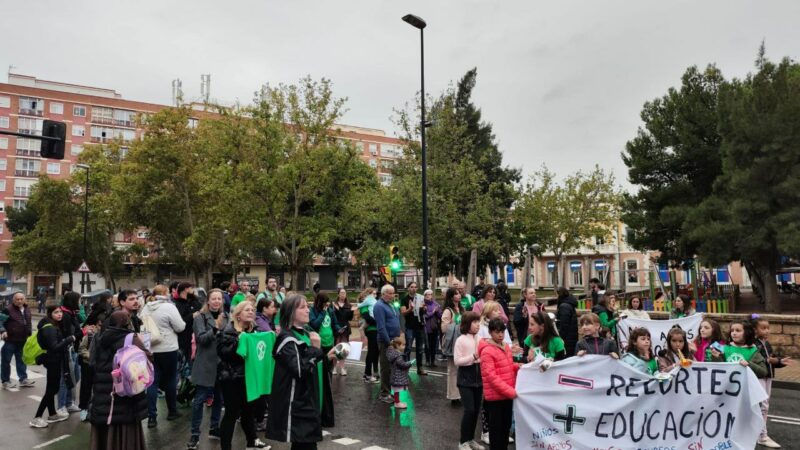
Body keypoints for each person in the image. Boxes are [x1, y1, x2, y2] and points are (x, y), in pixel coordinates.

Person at [268, 293, 337, 450]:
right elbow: (300, 370)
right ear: (291, 312)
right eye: (303, 307)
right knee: (304, 445)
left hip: (310, 401)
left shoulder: (305, 333)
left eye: (308, 306)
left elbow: (312, 363)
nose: (308, 310)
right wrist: (315, 349)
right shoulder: (286, 338)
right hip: (298, 405)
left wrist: (327, 356)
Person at [89, 311, 150, 450]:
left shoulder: (99, 337)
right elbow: (147, 360)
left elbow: (92, 362)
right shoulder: (131, 338)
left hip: (103, 392)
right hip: (125, 392)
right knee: (124, 425)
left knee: (105, 425)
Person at [216, 301, 269, 450]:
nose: (251, 312)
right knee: (231, 414)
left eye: (252, 310)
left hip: (249, 378)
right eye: (247, 310)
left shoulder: (256, 332)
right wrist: (238, 342)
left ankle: (252, 441)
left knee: (248, 411)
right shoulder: (228, 331)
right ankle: (226, 447)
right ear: (238, 315)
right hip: (232, 379)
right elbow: (223, 354)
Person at [186, 289, 229, 449]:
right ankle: (194, 434)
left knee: (218, 398)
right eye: (214, 299)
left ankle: (214, 427)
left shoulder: (225, 317)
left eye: (219, 299)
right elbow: (201, 340)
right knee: (199, 400)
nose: (217, 301)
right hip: (205, 364)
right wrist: (215, 329)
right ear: (208, 301)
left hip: (221, 364)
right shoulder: (200, 318)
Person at [140, 285, 186, 428]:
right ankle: (172, 411)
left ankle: (152, 417)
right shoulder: (169, 307)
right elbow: (180, 326)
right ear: (166, 293)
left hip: (151, 349)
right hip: (168, 348)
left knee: (152, 382)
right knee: (171, 379)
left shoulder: (146, 307)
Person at [29, 305, 75, 428]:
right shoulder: (49, 328)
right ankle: (37, 417)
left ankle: (52, 414)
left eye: (60, 312)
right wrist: (69, 339)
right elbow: (54, 347)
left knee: (52, 389)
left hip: (54, 361)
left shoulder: (53, 325)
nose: (59, 314)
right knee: (51, 390)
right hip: (52, 361)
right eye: (56, 312)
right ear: (50, 314)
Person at [752, 316, 793, 448]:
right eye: (763, 328)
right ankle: (762, 436)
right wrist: (770, 361)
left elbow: (772, 360)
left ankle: (759, 434)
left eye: (768, 328)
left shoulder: (766, 344)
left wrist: (780, 362)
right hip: (758, 377)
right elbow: (759, 361)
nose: (767, 331)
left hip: (768, 377)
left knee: (764, 406)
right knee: (762, 406)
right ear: (754, 330)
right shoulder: (754, 344)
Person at [479, 318, 518, 450]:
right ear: (490, 332)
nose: (500, 335)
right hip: (495, 398)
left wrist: (518, 366)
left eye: (502, 332)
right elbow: (491, 376)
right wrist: (510, 391)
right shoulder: (487, 351)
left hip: (507, 395)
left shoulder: (506, 347)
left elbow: (507, 366)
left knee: (505, 428)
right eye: (497, 332)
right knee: (496, 431)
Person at [308, 292, 339, 427]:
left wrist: (338, 329)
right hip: (318, 345)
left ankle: (327, 391)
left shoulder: (330, 311)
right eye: (325, 302)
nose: (328, 304)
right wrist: (322, 313)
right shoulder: (313, 311)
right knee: (320, 369)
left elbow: (334, 323)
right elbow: (314, 325)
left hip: (329, 343)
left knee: (329, 369)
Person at [454, 312, 482, 450]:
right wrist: (474, 356)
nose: (478, 325)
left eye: (478, 322)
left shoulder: (480, 338)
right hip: (465, 378)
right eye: (475, 322)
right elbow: (457, 361)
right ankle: (462, 441)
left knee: (476, 410)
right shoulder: (461, 340)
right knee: (469, 410)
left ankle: (471, 439)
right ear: (467, 324)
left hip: (479, 378)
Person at [374, 284, 401, 404]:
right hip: (386, 341)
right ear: (383, 293)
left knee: (392, 368)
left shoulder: (390, 304)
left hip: (393, 340)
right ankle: (384, 393)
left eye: (393, 293)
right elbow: (381, 327)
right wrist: (388, 342)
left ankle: (388, 390)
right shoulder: (379, 306)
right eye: (389, 293)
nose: (392, 295)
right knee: (385, 367)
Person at [1, 292, 35, 389]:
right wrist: (3, 331)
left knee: (21, 360)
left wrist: (29, 333)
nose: (19, 301)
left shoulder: (27, 309)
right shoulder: (7, 310)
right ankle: (6, 381)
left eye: (21, 299)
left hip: (23, 340)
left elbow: (28, 322)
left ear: (24, 299)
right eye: (17, 299)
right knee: (6, 361)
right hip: (10, 340)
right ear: (13, 300)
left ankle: (23, 379)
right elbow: (0, 321)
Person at [57, 291, 84, 415]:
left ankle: (68, 403)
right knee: (66, 378)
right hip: (66, 350)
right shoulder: (66, 315)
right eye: (78, 300)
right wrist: (83, 332)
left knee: (76, 376)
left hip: (74, 349)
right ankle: (61, 406)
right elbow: (69, 335)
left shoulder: (72, 313)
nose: (80, 302)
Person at [440, 288, 464, 402]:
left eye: (459, 293)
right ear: (451, 297)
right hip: (453, 342)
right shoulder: (448, 311)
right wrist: (457, 326)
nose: (459, 295)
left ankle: (461, 393)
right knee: (453, 370)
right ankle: (453, 396)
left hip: (462, 342)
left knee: (461, 370)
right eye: (456, 294)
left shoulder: (461, 309)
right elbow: (444, 328)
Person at [400, 281, 426, 375]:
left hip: (419, 326)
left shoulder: (420, 297)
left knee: (420, 349)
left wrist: (424, 308)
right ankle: (405, 367)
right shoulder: (404, 299)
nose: (414, 288)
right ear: (408, 288)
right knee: (408, 348)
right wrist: (410, 309)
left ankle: (420, 368)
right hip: (410, 327)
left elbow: (424, 311)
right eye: (411, 287)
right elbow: (403, 313)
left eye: (415, 287)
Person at [356, 288, 380, 383]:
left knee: (375, 352)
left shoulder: (372, 304)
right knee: (371, 352)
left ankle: (373, 372)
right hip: (371, 330)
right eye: (372, 294)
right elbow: (368, 318)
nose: (374, 296)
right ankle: (368, 375)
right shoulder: (364, 305)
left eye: (375, 294)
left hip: (375, 329)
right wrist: (379, 322)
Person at [174, 282, 202, 362]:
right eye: (191, 288)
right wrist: (192, 316)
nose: (193, 290)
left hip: (196, 334)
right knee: (184, 359)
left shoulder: (194, 301)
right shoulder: (177, 304)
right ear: (186, 289)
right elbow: (179, 320)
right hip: (183, 337)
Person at [332, 288, 353, 376]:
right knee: (336, 348)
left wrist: (352, 311)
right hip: (336, 328)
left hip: (345, 329)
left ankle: (342, 367)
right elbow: (334, 317)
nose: (343, 294)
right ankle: (333, 367)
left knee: (343, 349)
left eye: (344, 293)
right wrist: (338, 309)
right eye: (341, 292)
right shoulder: (334, 304)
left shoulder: (348, 305)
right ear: (338, 294)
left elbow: (349, 318)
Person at [386, 334, 411, 409]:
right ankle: (397, 403)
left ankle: (397, 401)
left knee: (396, 391)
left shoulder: (393, 353)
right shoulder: (398, 356)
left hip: (394, 376)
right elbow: (402, 364)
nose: (404, 347)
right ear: (397, 345)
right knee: (397, 391)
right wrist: (409, 364)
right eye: (403, 345)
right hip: (398, 377)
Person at [554, 287, 578, 357]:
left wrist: (561, 337)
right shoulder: (569, 302)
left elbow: (564, 324)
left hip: (567, 337)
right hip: (572, 335)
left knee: (566, 355)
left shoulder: (564, 306)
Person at [422, 289, 442, 368]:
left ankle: (433, 361)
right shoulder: (423, 304)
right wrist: (433, 312)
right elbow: (425, 316)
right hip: (426, 328)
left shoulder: (436, 304)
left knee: (434, 345)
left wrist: (438, 311)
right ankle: (427, 360)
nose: (428, 296)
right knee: (427, 345)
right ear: (424, 296)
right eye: (427, 294)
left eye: (430, 294)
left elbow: (440, 315)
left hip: (434, 327)